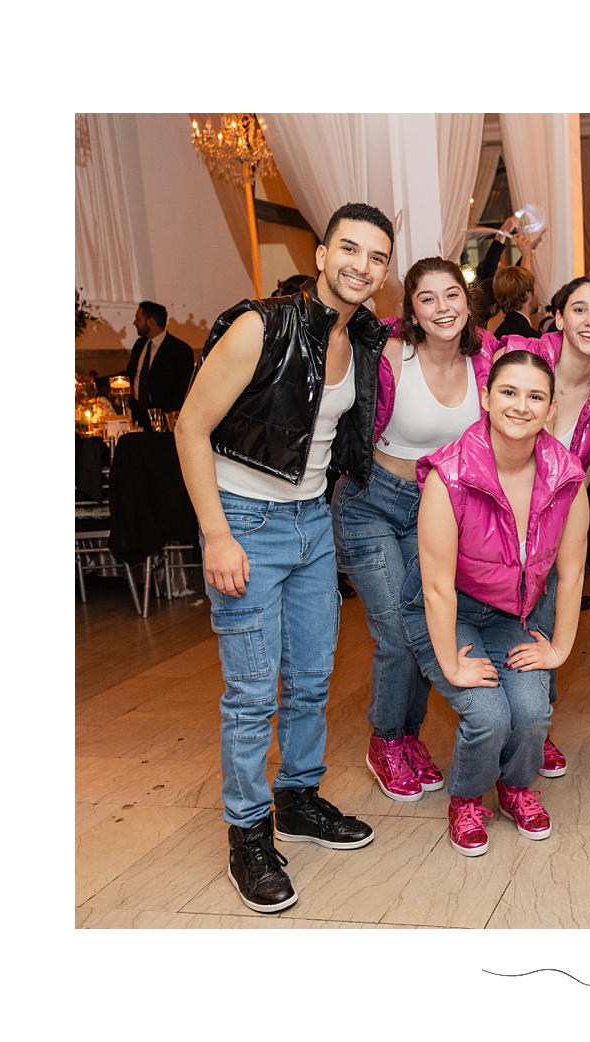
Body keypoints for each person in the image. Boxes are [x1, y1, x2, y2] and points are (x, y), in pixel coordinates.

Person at [175, 202, 393, 914]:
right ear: (324, 253)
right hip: (246, 520)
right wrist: (216, 533)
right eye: (351, 250)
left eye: (377, 257)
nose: (363, 266)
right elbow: (190, 427)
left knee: (310, 676)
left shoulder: (360, 336)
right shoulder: (260, 325)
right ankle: (248, 834)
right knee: (249, 695)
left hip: (311, 524)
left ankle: (297, 798)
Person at [401, 350, 589, 856]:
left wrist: (558, 651)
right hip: (447, 610)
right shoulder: (450, 475)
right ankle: (466, 798)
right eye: (508, 392)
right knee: (487, 713)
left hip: (510, 615)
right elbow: (437, 585)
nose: (520, 406)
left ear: (551, 409)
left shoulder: (567, 476)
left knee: (530, 710)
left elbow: (571, 575)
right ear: (485, 398)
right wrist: (450, 664)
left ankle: (516, 787)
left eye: (535, 396)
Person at [332, 256, 494, 802]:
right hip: (372, 503)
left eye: (451, 295)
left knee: (426, 626)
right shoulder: (390, 354)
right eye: (428, 298)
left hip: (436, 513)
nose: (442, 308)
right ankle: (386, 738)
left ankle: (408, 736)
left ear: (467, 303)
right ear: (413, 311)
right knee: (396, 635)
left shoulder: (486, 358)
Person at [494, 275, 590, 777]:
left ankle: (534, 728)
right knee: (491, 623)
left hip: (555, 520)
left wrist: (566, 528)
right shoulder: (521, 353)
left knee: (543, 621)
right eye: (580, 309)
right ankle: (496, 727)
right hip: (496, 513)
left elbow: (583, 471)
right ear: (560, 316)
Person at [123, 301, 195, 427]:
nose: (134, 323)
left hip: (162, 419)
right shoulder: (140, 345)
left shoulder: (180, 350)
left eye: (138, 319)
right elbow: (129, 374)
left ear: (151, 321)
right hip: (136, 414)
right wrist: (94, 381)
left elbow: (182, 388)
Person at [489, 265, 539, 337]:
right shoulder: (530, 337)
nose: (537, 294)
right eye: (535, 288)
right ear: (527, 294)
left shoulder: (500, 332)